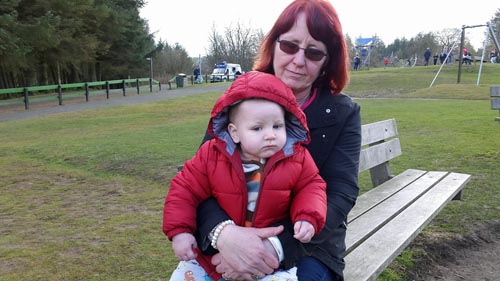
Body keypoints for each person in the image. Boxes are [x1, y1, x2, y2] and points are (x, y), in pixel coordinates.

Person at [190, 1, 361, 280]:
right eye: (290, 46)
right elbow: (200, 172)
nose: (298, 60)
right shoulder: (240, 97)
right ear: (275, 44)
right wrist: (223, 233)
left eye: (314, 52)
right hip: (233, 232)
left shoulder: (343, 113)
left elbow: (340, 192)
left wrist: (275, 247)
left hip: (308, 244)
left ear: (326, 61)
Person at [163, 71, 328, 281]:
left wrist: (308, 217)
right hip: (213, 257)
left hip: (266, 259)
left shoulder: (297, 157)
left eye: (277, 126)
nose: (270, 135)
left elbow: (312, 186)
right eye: (257, 128)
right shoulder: (211, 155)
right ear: (234, 132)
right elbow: (183, 189)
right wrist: (180, 231)